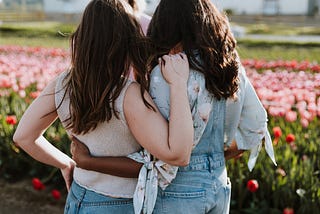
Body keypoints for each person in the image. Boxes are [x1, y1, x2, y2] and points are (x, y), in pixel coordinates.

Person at [71, 0, 277, 213]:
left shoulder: (165, 73)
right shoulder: (230, 69)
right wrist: (210, 160)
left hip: (176, 191)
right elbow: (256, 127)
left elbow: (154, 158)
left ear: (166, 25)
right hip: (219, 183)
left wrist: (90, 161)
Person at [12, 0, 195, 213]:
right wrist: (179, 85)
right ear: (126, 40)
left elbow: (23, 137)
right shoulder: (129, 93)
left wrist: (66, 164)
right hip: (119, 202)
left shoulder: (63, 83)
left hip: (78, 195)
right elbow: (178, 155)